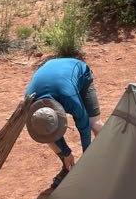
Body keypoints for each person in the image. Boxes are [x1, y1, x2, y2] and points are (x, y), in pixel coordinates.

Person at [25, 58, 104, 189]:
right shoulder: (31, 104)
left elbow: (84, 127)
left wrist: (87, 160)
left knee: (94, 123)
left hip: (80, 73)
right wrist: (66, 152)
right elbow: (49, 130)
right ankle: (67, 166)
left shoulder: (69, 99)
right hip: (54, 75)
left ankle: (104, 160)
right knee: (46, 136)